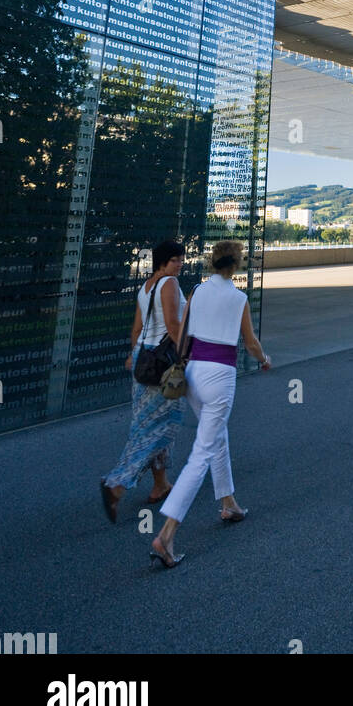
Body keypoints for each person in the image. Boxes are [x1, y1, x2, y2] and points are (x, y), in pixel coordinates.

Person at [150, 239, 270, 568]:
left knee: (216, 436)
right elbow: (250, 342)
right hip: (219, 376)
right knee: (201, 452)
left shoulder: (198, 291)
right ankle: (167, 534)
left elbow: (185, 331)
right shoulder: (239, 298)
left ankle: (228, 502)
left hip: (192, 373)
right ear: (237, 265)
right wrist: (265, 359)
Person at [101, 240, 187, 522]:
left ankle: (160, 485)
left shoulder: (146, 286)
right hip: (162, 365)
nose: (181, 264)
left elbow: (137, 328)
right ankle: (117, 484)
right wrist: (186, 356)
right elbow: (174, 325)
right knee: (162, 428)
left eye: (181, 259)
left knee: (145, 426)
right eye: (175, 259)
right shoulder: (169, 284)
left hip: (143, 363)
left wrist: (134, 354)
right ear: (163, 261)